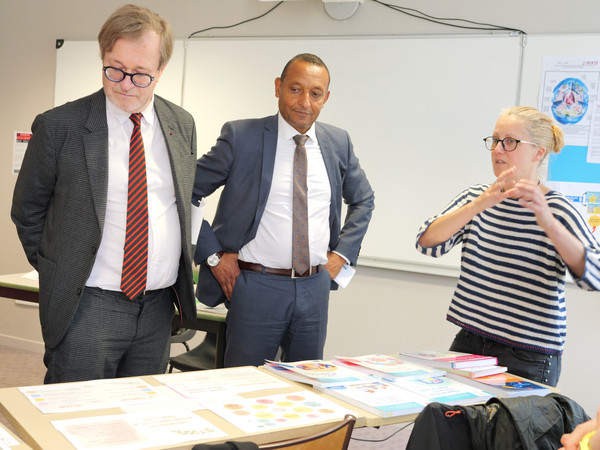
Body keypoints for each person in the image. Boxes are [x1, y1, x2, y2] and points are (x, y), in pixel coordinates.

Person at [11, 4, 197, 383]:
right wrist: (58, 270)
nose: (125, 84)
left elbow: (179, 205)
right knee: (76, 409)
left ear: (161, 69)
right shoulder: (59, 126)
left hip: (158, 307)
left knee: (139, 411)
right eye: (115, 68)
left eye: (140, 74)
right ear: (103, 57)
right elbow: (27, 211)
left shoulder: (181, 124)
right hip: (88, 304)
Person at [193, 53, 374, 367]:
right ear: (278, 87)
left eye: (315, 93)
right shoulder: (241, 137)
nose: (305, 102)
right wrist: (214, 256)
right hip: (256, 286)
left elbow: (363, 200)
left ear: (325, 98)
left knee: (307, 383)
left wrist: (342, 255)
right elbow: (186, 190)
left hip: (315, 287)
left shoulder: (338, 142)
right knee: (244, 383)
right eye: (295, 89)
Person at [415, 106, 600, 387]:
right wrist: (478, 205)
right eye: (495, 140)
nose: (498, 149)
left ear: (538, 153)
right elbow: (427, 242)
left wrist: (549, 223)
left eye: (510, 142)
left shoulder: (557, 209)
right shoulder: (477, 197)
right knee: (445, 413)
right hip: (470, 340)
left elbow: (595, 275)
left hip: (529, 354)